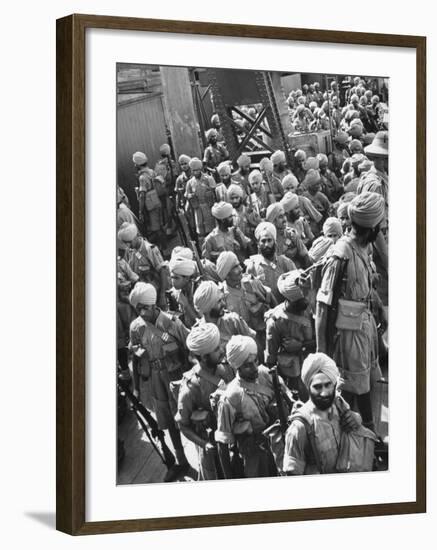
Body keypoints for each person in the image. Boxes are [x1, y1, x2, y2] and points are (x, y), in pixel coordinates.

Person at [315, 192, 385, 432]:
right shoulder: (341, 255)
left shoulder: (363, 249)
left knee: (364, 385)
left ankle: (367, 431)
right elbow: (323, 308)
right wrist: (321, 358)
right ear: (372, 227)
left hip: (364, 329)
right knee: (351, 389)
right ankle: (362, 434)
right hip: (347, 337)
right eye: (380, 227)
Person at [128, 283, 190, 480]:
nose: (141, 313)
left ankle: (206, 459)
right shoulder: (136, 328)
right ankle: (181, 462)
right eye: (137, 309)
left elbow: (190, 351)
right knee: (169, 421)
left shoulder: (173, 324)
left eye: (143, 308)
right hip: (156, 379)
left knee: (187, 418)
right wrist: (136, 389)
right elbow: (136, 358)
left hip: (177, 376)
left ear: (153, 305)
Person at [283, 353, 375, 475]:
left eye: (328, 385)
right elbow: (293, 474)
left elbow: (355, 425)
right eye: (317, 387)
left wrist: (356, 419)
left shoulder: (339, 405)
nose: (324, 393)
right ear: (308, 389)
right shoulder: (299, 428)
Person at [215, 335, 288, 478]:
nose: (255, 368)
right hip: (255, 457)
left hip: (281, 443)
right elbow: (223, 444)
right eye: (248, 365)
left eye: (256, 361)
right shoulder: (231, 398)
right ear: (237, 366)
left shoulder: (267, 374)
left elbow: (288, 400)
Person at [176, 323, 234, 480]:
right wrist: (204, 445)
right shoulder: (190, 387)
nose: (221, 350)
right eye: (216, 350)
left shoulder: (227, 367)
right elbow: (183, 425)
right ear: (203, 357)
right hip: (212, 449)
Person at [265, 270, 314, 397]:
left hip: (315, 369)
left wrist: (302, 346)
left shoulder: (313, 309)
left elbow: (325, 340)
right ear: (291, 299)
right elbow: (271, 360)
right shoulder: (275, 322)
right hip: (295, 378)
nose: (307, 301)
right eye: (302, 300)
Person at [216, 251, 274, 359]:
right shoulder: (222, 296)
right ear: (226, 274)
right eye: (235, 267)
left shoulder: (252, 283)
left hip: (264, 339)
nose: (241, 269)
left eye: (239, 265)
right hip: (244, 350)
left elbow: (271, 304)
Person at [118, 222, 168, 309]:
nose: (127, 246)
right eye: (125, 243)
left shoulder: (150, 249)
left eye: (129, 242)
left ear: (136, 237)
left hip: (156, 294)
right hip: (143, 297)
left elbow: (163, 271)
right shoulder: (130, 251)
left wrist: (162, 295)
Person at [193, 280, 256, 348]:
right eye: (219, 302)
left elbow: (253, 345)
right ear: (208, 307)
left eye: (222, 300)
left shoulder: (233, 321)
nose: (223, 304)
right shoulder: (199, 333)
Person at [245, 221, 297, 303]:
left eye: (269, 240)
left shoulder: (286, 263)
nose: (266, 245)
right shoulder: (252, 267)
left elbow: (296, 287)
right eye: (263, 241)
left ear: (275, 243)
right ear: (258, 244)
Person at [185, 157, 217, 246]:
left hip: (209, 207)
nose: (195, 172)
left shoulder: (208, 179)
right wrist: (190, 196)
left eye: (197, 170)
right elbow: (187, 195)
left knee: (211, 231)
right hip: (197, 209)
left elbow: (215, 194)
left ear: (201, 169)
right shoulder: (190, 183)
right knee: (200, 233)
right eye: (193, 170)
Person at [132, 151, 163, 241]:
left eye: (135, 163)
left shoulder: (142, 177)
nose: (134, 165)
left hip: (150, 205)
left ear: (138, 164)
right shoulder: (151, 171)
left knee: (156, 229)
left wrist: (140, 211)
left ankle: (163, 250)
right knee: (159, 225)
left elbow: (142, 196)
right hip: (157, 201)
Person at [167, 255, 199, 328]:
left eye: (176, 278)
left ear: (187, 278)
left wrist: (186, 305)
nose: (173, 281)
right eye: (172, 277)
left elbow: (202, 322)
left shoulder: (198, 290)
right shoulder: (176, 291)